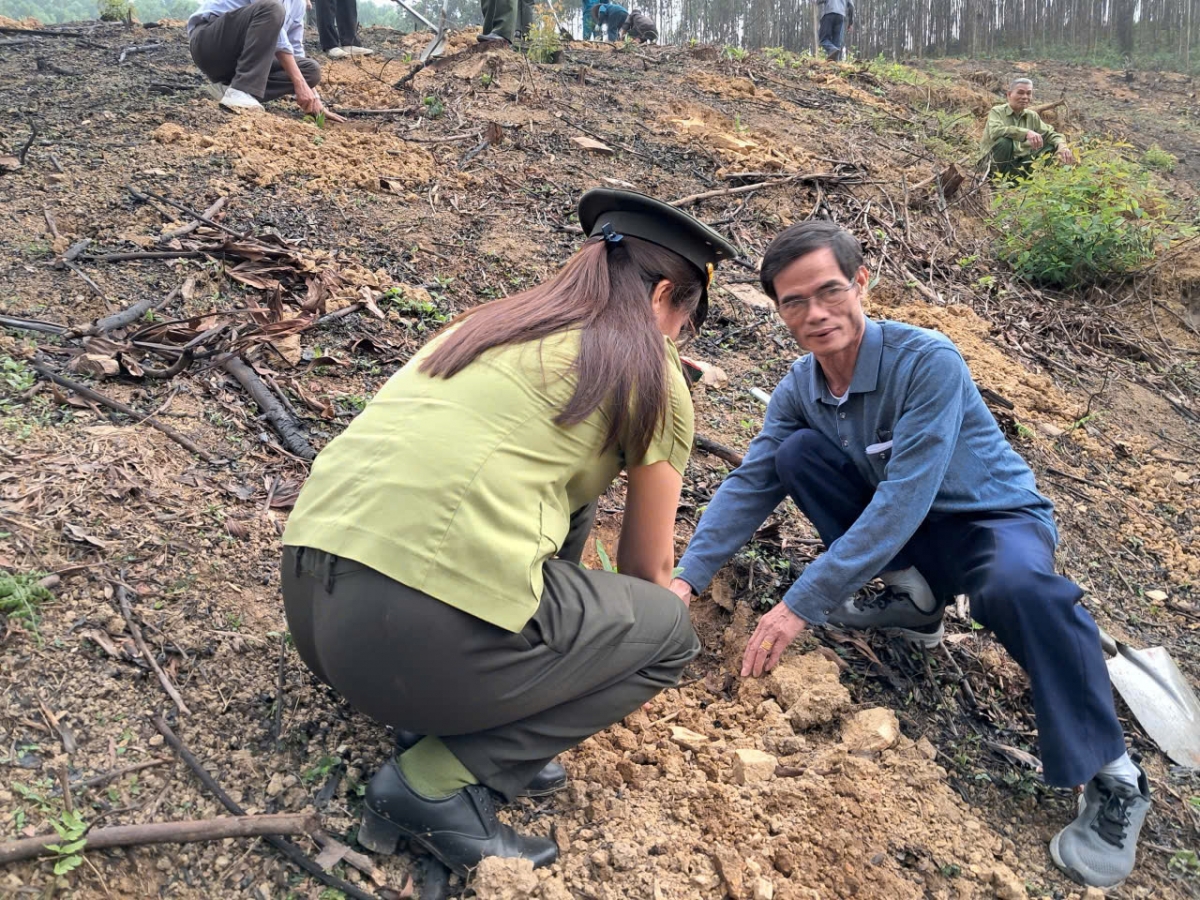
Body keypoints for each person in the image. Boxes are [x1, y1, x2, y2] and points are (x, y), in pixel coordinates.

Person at [668, 220, 1153, 891]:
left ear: (861, 283)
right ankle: (916, 604)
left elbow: (903, 498)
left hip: (989, 519)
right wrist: (686, 578)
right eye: (794, 302)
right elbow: (752, 482)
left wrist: (799, 604)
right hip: (909, 531)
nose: (816, 314)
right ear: (778, 310)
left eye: (830, 291)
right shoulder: (801, 388)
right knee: (795, 454)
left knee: (1019, 589)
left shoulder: (926, 361)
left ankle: (1113, 774)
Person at [280, 189, 738, 875]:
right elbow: (647, 572)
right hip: (407, 638)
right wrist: (617, 652)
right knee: (667, 632)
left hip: (312, 604)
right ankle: (433, 784)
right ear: (663, 295)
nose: (675, 340)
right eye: (681, 322)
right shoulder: (650, 368)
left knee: (570, 497)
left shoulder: (490, 323)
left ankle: (454, 707)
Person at [187, 0, 340, 118]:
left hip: (238, 59)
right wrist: (299, 83)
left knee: (310, 71)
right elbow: (280, 39)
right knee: (272, 8)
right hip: (210, 44)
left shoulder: (298, 4)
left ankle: (228, 89)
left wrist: (314, 98)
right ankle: (241, 90)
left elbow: (295, 48)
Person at [982, 78, 1074, 177]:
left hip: (1017, 165)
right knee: (1005, 141)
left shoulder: (1032, 116)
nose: (1025, 97)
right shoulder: (997, 111)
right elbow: (995, 131)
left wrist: (1062, 146)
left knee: (1051, 146)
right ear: (1009, 94)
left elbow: (1050, 134)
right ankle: (992, 179)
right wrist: (1026, 133)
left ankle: (1023, 180)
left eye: (1028, 93)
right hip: (992, 164)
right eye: (1020, 93)